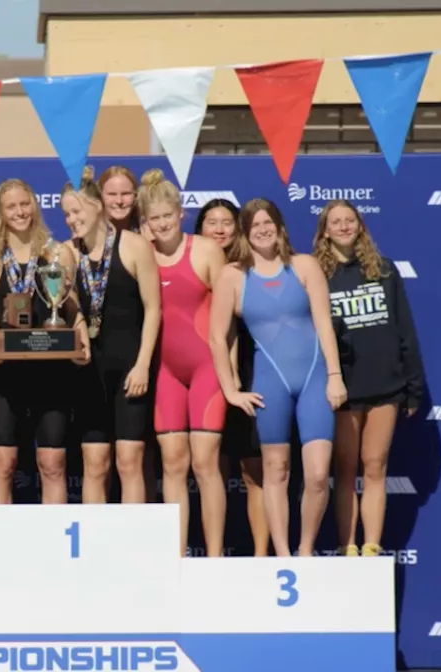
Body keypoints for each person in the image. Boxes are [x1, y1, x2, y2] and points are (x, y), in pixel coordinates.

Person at [208, 199, 346, 558]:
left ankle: (305, 549)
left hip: (315, 379)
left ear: (280, 227)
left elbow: (323, 324)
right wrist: (230, 391)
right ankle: (283, 554)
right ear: (245, 232)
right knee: (276, 469)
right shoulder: (232, 276)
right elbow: (216, 337)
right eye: (254, 225)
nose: (262, 229)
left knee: (317, 475)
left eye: (268, 222)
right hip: (271, 385)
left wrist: (334, 375)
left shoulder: (304, 266)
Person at [313, 199, 425, 557]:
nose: (344, 226)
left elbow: (404, 329)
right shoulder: (316, 274)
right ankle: (347, 545)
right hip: (343, 388)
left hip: (386, 385)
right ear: (325, 230)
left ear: (360, 225)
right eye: (336, 222)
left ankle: (372, 545)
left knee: (375, 466)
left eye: (350, 220)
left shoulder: (384, 270)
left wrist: (413, 387)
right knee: (345, 470)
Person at [0, 179, 88, 506]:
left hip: (50, 370)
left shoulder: (56, 252)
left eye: (25, 204)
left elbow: (69, 305)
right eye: (11, 206)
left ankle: (56, 549)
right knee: (3, 464)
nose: (20, 212)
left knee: (52, 465)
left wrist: (81, 336)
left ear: (34, 205)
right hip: (5, 373)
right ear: (0, 212)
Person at [141, 172, 230, 556]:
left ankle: (213, 557)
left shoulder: (206, 250)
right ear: (145, 222)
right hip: (165, 372)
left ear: (180, 213)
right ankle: (176, 557)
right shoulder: (141, 252)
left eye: (167, 216)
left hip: (206, 368)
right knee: (172, 465)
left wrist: (230, 374)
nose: (162, 224)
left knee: (205, 464)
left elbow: (227, 320)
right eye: (154, 218)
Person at [61, 167, 160, 506]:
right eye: (66, 214)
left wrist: (143, 364)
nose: (71, 220)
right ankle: (93, 548)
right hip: (88, 371)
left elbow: (153, 310)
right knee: (94, 464)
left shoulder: (134, 246)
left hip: (130, 370)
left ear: (96, 206)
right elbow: (65, 308)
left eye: (76, 212)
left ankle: (132, 547)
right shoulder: (65, 253)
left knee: (130, 461)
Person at [194, 199, 269, 556]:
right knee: (211, 468)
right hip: (200, 378)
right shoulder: (188, 264)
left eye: (228, 222)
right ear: (199, 227)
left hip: (251, 375)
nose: (220, 228)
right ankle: (214, 554)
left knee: (255, 470)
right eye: (212, 222)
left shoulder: (256, 268)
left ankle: (260, 556)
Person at [97, 165, 140, 233]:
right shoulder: (89, 230)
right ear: (100, 196)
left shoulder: (148, 229)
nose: (119, 201)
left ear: (135, 195)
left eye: (126, 193)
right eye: (112, 194)